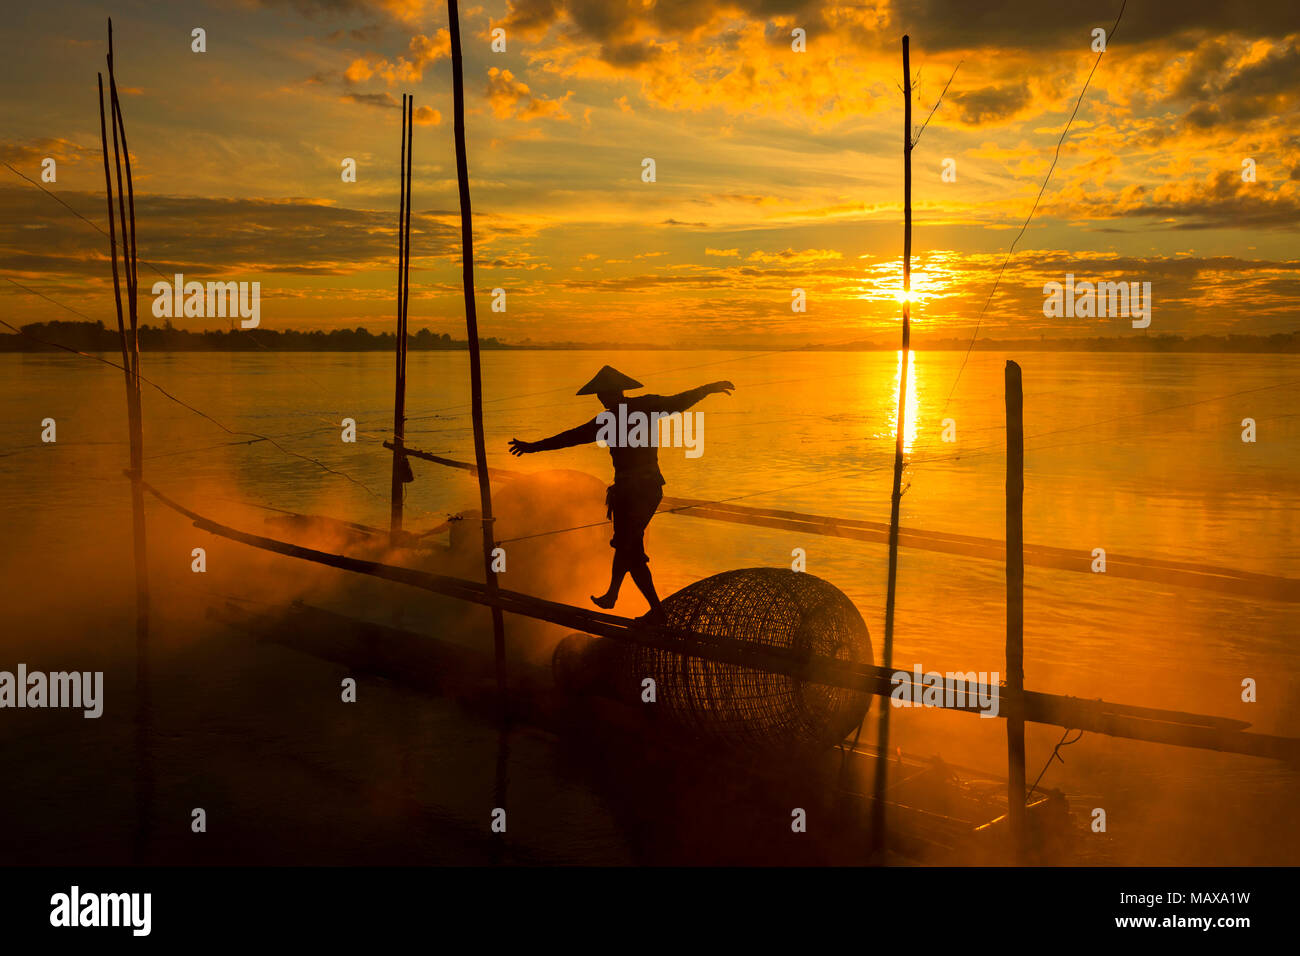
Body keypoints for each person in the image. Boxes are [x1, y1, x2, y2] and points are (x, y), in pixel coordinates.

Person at [508, 366, 734, 622]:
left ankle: (616, 596)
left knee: (628, 546)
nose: (602, 399)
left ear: (615, 392)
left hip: (640, 490)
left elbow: (678, 402)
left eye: (604, 394)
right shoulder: (625, 413)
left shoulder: (636, 410)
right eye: (600, 396)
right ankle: (644, 607)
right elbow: (570, 437)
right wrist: (532, 448)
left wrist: (707, 389)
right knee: (631, 549)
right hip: (632, 491)